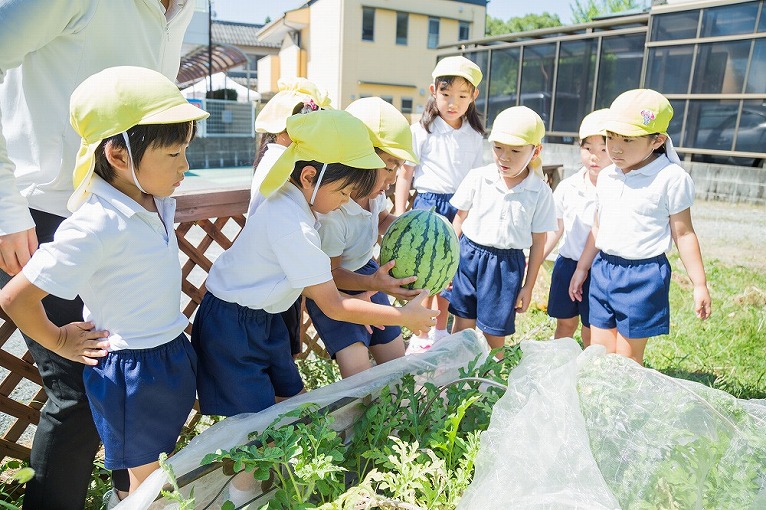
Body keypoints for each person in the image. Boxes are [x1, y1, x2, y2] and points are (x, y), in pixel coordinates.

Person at [0, 1, 194, 507]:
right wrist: (4, 206)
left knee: (118, 424)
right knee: (77, 399)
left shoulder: (181, 7)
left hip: (129, 199)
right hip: (42, 213)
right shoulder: (94, 224)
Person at [191, 109, 436, 506]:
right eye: (341, 193)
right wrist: (403, 318)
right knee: (256, 427)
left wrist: (374, 283)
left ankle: (258, 487)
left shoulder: (300, 202)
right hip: (232, 327)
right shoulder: (292, 221)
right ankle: (237, 499)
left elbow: (331, 276)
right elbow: (334, 305)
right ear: (309, 176)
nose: (343, 202)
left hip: (264, 318)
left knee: (289, 408)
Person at [569, 89, 712, 365]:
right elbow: (598, 226)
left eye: (628, 140)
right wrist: (582, 267)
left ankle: (624, 404)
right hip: (604, 270)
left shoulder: (671, 178)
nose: (616, 148)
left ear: (657, 140)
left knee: (627, 357)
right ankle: (600, 402)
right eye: (610, 137)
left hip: (642, 276)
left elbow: (683, 233)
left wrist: (700, 284)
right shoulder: (608, 175)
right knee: (598, 349)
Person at [305, 97, 422, 378]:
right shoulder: (335, 213)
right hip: (336, 289)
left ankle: (396, 415)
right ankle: (359, 419)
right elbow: (332, 274)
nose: (394, 178)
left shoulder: (375, 196)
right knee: (357, 373)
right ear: (360, 159)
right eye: (390, 167)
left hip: (369, 273)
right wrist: (370, 284)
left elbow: (381, 220)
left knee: (396, 364)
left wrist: (412, 229)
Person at [393, 56, 486, 352]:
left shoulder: (474, 136)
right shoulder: (421, 130)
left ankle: (441, 330)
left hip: (460, 209)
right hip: (427, 203)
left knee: (449, 272)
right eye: (446, 94)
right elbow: (405, 174)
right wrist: (399, 213)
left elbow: (474, 181)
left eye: (462, 96)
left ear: (474, 96)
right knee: (421, 270)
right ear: (433, 90)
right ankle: (420, 334)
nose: (453, 102)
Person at [448, 106, 556, 357]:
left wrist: (528, 287)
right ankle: (452, 377)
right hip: (469, 256)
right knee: (462, 324)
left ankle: (490, 381)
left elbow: (538, 243)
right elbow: (459, 221)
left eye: (515, 151)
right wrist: (449, 263)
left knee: (495, 333)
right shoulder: (478, 177)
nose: (504, 157)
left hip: (505, 266)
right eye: (498, 148)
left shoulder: (539, 192)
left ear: (535, 151)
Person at [248, 77, 332, 358]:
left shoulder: (279, 158)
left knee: (283, 357)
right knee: (276, 359)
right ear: (283, 130)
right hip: (269, 283)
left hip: (279, 279)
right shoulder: (279, 160)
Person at [543, 109, 612, 347]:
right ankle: (557, 363)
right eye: (588, 149)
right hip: (567, 263)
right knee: (565, 323)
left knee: (591, 327)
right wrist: (535, 258)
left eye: (604, 149)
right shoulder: (568, 186)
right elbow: (555, 226)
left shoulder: (617, 190)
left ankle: (587, 368)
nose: (595, 157)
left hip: (599, 269)